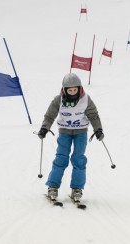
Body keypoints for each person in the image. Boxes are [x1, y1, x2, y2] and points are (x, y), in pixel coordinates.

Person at [38, 73, 104, 201]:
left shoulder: (86, 99)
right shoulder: (59, 99)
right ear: (64, 89)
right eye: (70, 90)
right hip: (64, 132)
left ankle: (77, 188)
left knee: (79, 158)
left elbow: (93, 115)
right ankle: (53, 185)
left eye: (75, 89)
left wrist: (98, 130)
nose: (73, 92)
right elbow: (50, 115)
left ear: (79, 88)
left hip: (81, 132)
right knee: (61, 158)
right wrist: (44, 128)